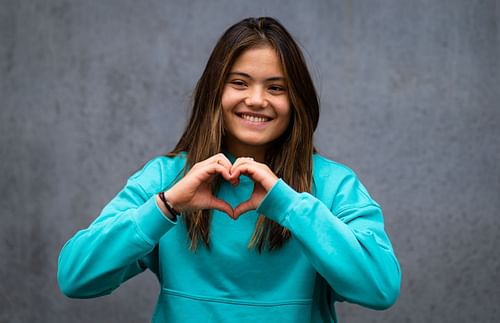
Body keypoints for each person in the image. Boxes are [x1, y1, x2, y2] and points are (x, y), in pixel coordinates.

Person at [57, 16, 401, 323]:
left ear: (297, 100)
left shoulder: (334, 185)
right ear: (214, 92)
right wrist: (166, 206)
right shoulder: (165, 179)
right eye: (239, 82)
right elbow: (76, 277)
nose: (256, 99)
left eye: (276, 87)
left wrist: (290, 205)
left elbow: (379, 289)